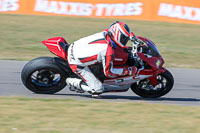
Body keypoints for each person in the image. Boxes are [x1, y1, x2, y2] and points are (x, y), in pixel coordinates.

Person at [66, 21, 138, 97]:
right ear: (117, 35)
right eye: (124, 38)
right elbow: (109, 72)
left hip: (74, 47)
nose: (125, 41)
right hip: (76, 63)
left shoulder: (106, 33)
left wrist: (130, 37)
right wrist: (128, 70)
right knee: (98, 90)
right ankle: (72, 82)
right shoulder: (108, 51)